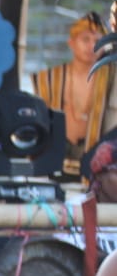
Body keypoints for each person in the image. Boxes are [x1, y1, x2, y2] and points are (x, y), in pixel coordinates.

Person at [32, 12, 111, 171]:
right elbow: (36, 124)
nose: (91, 46)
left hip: (98, 161)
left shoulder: (112, 79)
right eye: (85, 39)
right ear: (71, 43)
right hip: (55, 158)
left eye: (97, 41)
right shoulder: (48, 78)